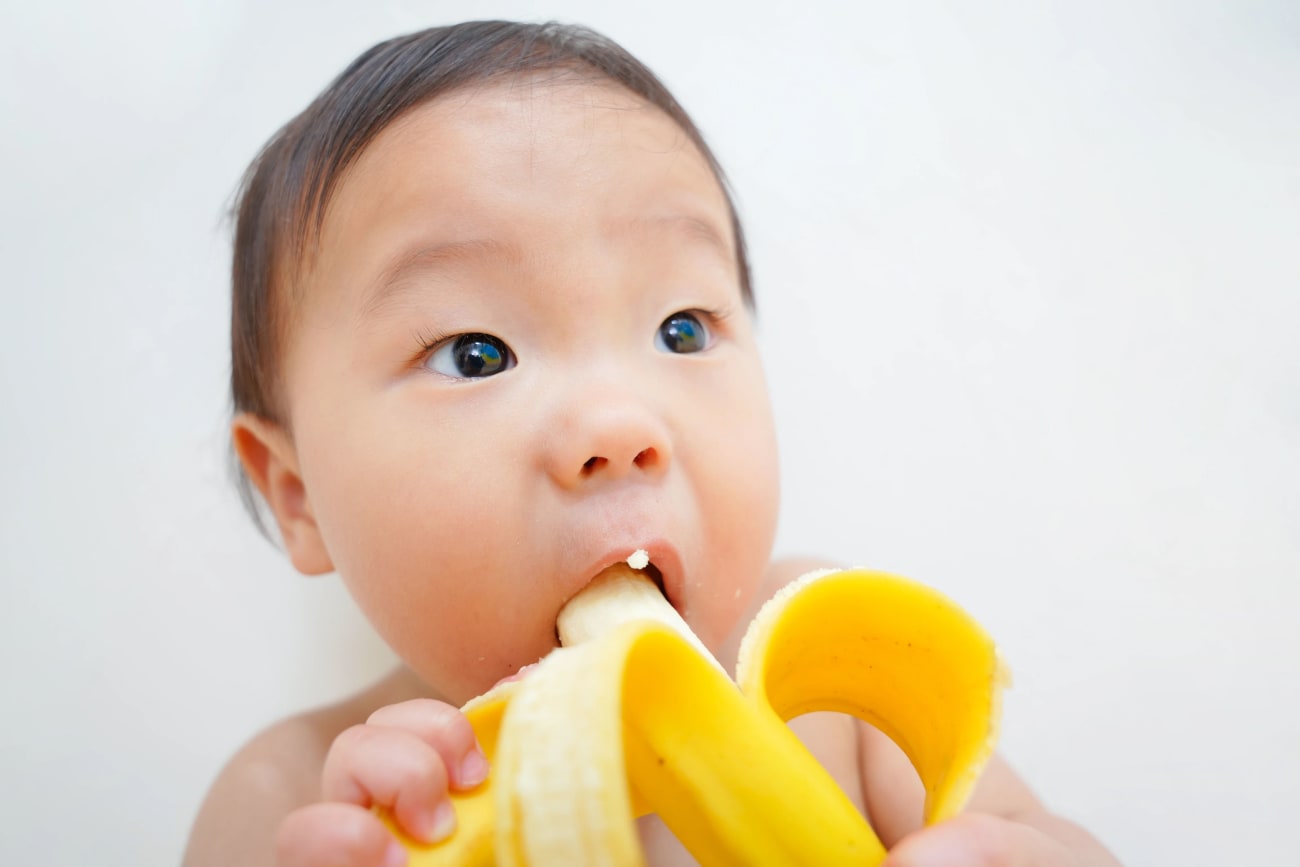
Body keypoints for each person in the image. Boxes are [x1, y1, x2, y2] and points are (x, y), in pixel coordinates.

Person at [183, 20, 1119, 867]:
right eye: (477, 355)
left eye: (682, 328)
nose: (618, 427)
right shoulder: (291, 801)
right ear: (297, 491)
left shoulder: (842, 695)